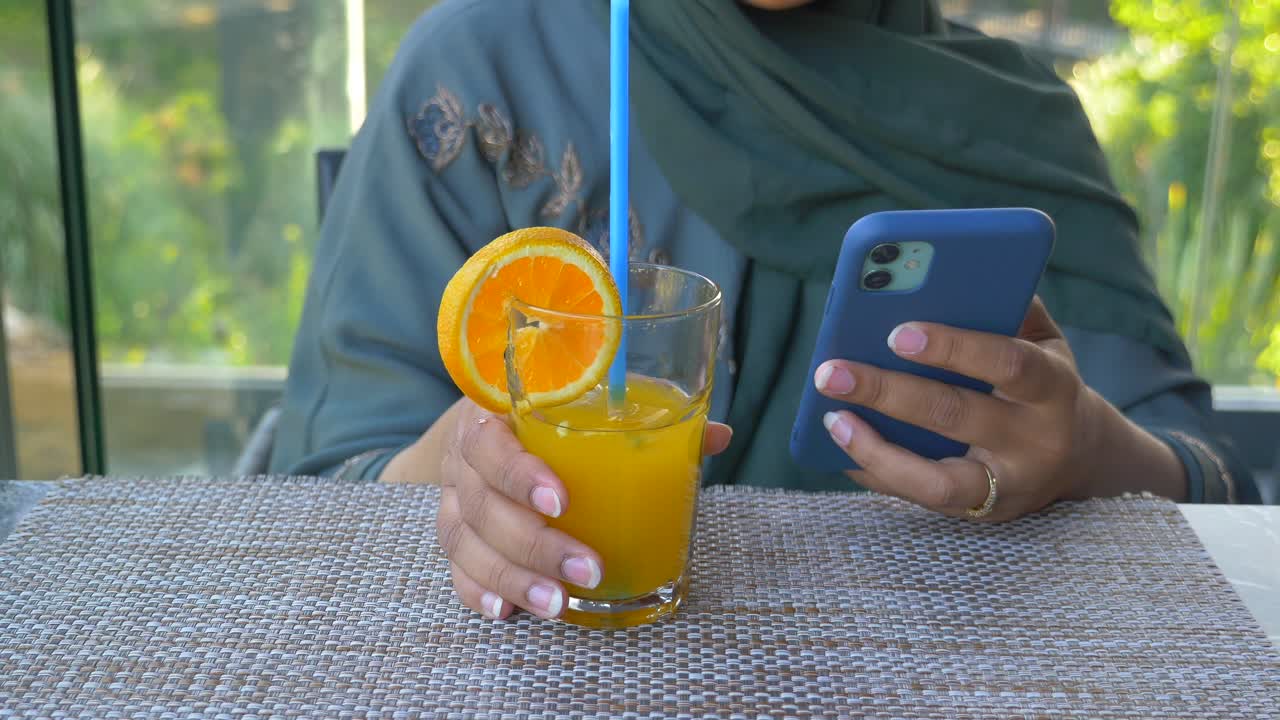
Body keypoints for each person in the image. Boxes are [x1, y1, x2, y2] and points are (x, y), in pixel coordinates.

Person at [269, 0, 1260, 621]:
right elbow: (317, 509)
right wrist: (468, 469)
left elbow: (1210, 487)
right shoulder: (479, 72)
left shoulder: (1011, 120)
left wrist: (1083, 450)